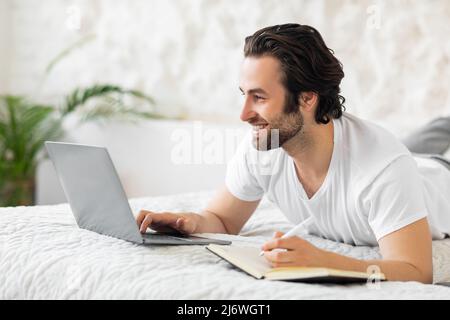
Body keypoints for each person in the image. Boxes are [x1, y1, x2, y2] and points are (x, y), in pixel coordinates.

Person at [136, 24, 450, 283]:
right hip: (410, 162)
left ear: (307, 98)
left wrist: (326, 261)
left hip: (439, 176)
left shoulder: (383, 167)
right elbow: (221, 218)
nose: (244, 114)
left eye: (259, 97)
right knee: (418, 142)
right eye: (244, 95)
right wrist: (186, 221)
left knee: (434, 136)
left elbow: (415, 270)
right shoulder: (263, 146)